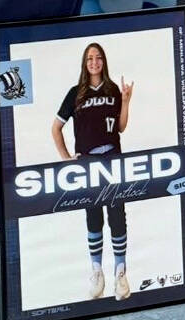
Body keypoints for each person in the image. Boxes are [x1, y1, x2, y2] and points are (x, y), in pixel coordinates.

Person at [51, 42, 134, 301]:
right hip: (87, 161)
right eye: (90, 58)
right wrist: (66, 159)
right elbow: (55, 128)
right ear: (84, 63)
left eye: (98, 58)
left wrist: (127, 100)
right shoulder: (76, 93)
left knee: (117, 213)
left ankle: (120, 272)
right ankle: (97, 272)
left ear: (104, 61)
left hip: (112, 157)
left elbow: (120, 128)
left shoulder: (112, 90)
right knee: (93, 214)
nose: (94, 62)